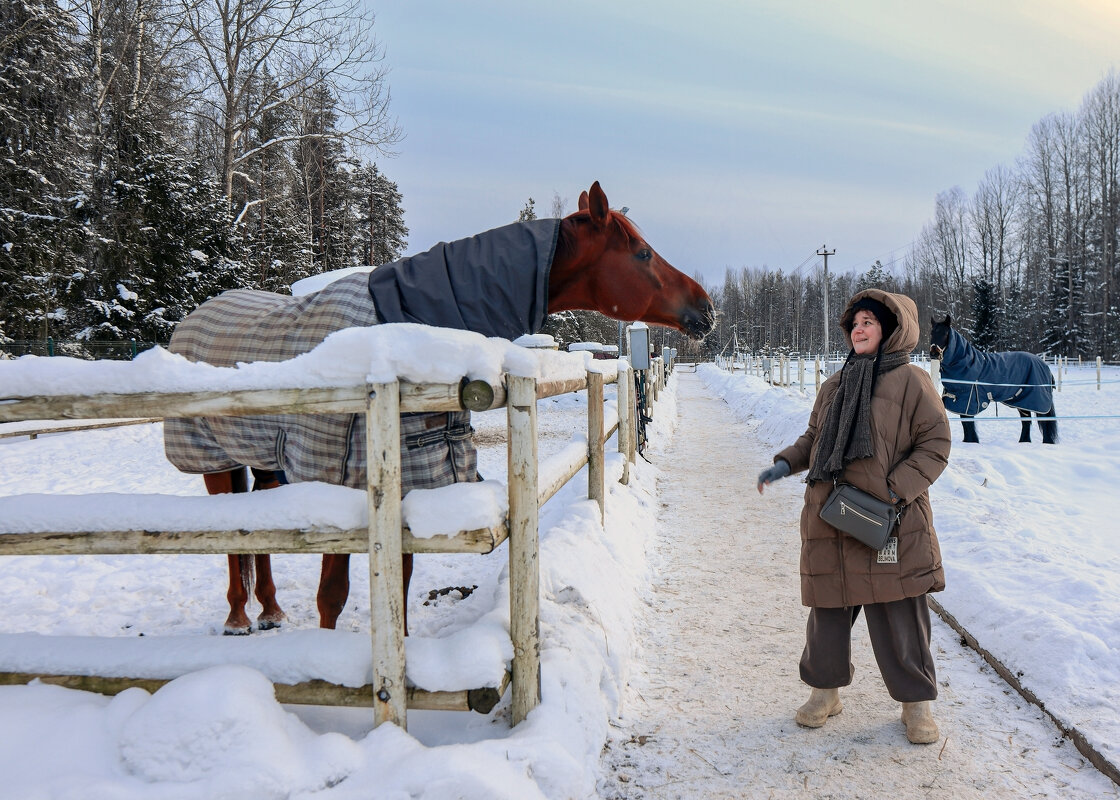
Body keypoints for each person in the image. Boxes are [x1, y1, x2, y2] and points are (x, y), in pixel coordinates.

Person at [756, 289, 950, 744]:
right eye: (855, 323)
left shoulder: (913, 381)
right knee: (827, 609)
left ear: (891, 330)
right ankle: (825, 694)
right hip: (831, 515)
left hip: (888, 520)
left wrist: (891, 491)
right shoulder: (835, 385)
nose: (859, 329)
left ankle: (916, 705)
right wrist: (785, 462)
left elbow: (936, 446)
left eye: (869, 322)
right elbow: (813, 439)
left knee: (899, 608)